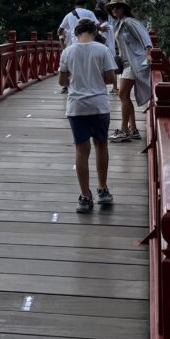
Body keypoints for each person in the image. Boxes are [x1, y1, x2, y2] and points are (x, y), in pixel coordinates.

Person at [58, 17, 117, 213]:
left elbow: (62, 81)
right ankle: (103, 189)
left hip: (77, 106)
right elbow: (110, 78)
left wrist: (78, 79)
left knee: (81, 150)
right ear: (95, 32)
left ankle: (85, 196)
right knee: (101, 145)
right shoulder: (103, 50)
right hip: (99, 105)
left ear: (75, 33)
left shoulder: (68, 51)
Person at [106, 0, 153, 143]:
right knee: (124, 96)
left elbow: (146, 39)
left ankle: (124, 130)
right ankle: (133, 129)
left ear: (124, 8)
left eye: (118, 7)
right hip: (127, 64)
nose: (114, 9)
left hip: (135, 63)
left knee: (123, 95)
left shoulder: (130, 22)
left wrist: (147, 58)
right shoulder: (119, 24)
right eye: (112, 7)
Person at [57, 0, 98, 93]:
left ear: (75, 5)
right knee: (87, 64)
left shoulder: (69, 15)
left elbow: (59, 30)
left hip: (73, 45)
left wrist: (62, 38)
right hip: (89, 43)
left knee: (71, 65)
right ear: (85, 5)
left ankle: (68, 86)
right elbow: (97, 25)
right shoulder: (89, 13)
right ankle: (87, 85)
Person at [94, 6, 118, 93]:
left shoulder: (104, 27)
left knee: (104, 70)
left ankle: (108, 87)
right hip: (111, 49)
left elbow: (102, 40)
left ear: (99, 18)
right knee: (113, 69)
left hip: (106, 50)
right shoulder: (110, 26)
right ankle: (115, 87)